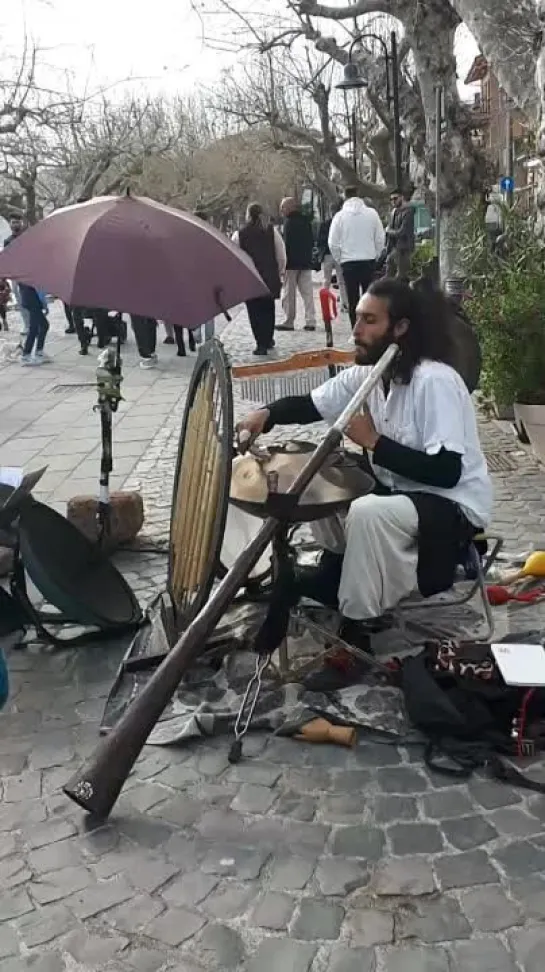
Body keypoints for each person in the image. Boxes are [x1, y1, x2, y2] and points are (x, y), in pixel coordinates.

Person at [236, 277, 493, 690]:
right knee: (322, 484)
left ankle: (355, 638)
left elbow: (447, 471)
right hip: (400, 494)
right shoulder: (369, 375)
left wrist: (374, 442)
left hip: (449, 503)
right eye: (357, 318)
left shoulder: (436, 382)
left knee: (367, 511)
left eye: (369, 321)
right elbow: (312, 403)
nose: (356, 330)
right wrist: (265, 414)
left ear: (401, 328)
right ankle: (333, 576)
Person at [232, 202, 286, 355]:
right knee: (268, 309)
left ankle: (260, 343)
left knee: (254, 311)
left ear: (248, 215)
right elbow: (281, 254)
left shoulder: (240, 234)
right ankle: (268, 338)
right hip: (269, 276)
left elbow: (235, 257)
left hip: (250, 277)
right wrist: (280, 271)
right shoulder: (271, 231)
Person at [328, 186, 385, 328]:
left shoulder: (340, 216)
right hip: (368, 260)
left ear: (344, 196)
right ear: (358, 195)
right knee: (369, 297)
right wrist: (375, 254)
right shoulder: (372, 214)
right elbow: (380, 238)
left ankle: (356, 328)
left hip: (348, 262)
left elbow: (332, 242)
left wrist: (340, 259)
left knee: (353, 299)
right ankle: (370, 325)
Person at [277, 196, 316, 332]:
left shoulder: (288, 223)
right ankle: (311, 320)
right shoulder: (306, 221)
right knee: (307, 293)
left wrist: (283, 264)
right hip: (305, 262)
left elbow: (286, 245)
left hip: (291, 263)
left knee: (289, 294)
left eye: (283, 207)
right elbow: (311, 241)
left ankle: (289, 321)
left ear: (290, 207)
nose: (281, 210)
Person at [317, 202, 348, 313]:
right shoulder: (342, 224)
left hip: (327, 254)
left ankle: (324, 303)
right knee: (342, 281)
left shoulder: (325, 224)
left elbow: (320, 240)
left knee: (326, 280)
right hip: (339, 255)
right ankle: (345, 304)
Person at [3, 214, 30, 337]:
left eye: (17, 222)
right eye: (13, 222)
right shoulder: (7, 241)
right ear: (10, 224)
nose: (15, 225)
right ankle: (27, 324)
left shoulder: (27, 237)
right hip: (15, 275)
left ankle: (36, 322)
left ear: (21, 223)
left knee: (31, 300)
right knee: (21, 302)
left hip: (29, 273)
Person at [385, 188, 415, 279]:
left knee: (401, 276)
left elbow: (402, 232)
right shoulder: (394, 212)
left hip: (403, 249)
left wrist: (388, 231)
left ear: (402, 197)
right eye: (391, 199)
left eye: (395, 198)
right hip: (393, 247)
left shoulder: (408, 211)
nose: (393, 201)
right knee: (390, 273)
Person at [19, 282, 50, 365]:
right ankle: (26, 354)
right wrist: (44, 303)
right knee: (35, 328)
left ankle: (38, 351)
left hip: (29, 299)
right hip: (33, 301)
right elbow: (39, 288)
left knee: (43, 325)